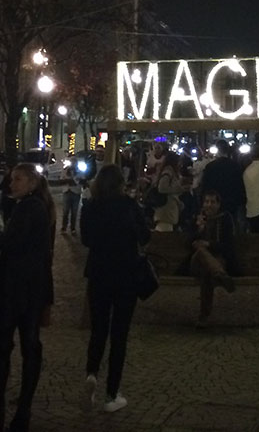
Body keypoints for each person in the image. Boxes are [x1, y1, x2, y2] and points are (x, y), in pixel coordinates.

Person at [0, 163, 55, 432]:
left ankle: (0, 412)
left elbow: (11, 243)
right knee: (29, 345)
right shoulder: (38, 207)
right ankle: (21, 409)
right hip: (33, 288)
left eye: (17, 179)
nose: (10, 184)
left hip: (17, 288)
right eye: (11, 179)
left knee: (5, 346)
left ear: (31, 183)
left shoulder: (28, 208)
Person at [80, 163, 149, 414]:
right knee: (119, 334)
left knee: (99, 329)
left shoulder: (91, 207)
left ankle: (91, 373)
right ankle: (112, 394)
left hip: (99, 273)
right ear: (121, 183)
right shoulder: (129, 206)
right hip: (125, 275)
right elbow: (145, 236)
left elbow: (86, 239)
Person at [187, 189, 238, 327]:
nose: (209, 205)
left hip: (217, 261)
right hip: (196, 262)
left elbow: (228, 245)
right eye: (206, 201)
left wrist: (208, 244)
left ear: (218, 204)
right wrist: (199, 229)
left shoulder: (225, 219)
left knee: (207, 272)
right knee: (200, 252)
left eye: (212, 202)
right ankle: (220, 275)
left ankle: (203, 317)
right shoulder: (197, 219)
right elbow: (189, 244)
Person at [199, 141, 246, 228]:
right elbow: (240, 186)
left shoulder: (210, 167)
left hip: (214, 203)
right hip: (231, 202)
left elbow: (205, 185)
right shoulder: (235, 166)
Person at [151, 152, 182, 233]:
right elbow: (162, 188)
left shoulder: (168, 171)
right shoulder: (168, 172)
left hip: (167, 210)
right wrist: (178, 189)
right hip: (166, 210)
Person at [58, 167, 81, 234]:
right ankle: (64, 227)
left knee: (74, 212)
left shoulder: (80, 171)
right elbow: (61, 180)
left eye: (74, 162)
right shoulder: (65, 170)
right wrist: (66, 180)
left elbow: (82, 180)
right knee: (65, 211)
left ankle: (72, 228)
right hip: (67, 191)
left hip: (76, 192)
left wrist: (76, 181)